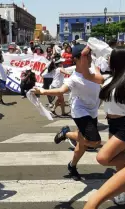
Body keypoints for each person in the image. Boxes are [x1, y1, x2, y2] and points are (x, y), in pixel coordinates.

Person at [84, 46, 125, 205]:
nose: (108, 59)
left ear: (116, 60)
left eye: (111, 57)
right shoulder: (109, 79)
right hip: (113, 123)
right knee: (119, 163)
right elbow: (87, 74)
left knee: (103, 158)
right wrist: (86, 55)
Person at [33, 44, 104, 181]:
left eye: (89, 55)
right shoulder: (74, 78)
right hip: (80, 111)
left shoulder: (93, 69)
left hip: (92, 110)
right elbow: (61, 91)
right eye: (86, 55)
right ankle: (66, 134)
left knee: (82, 144)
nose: (90, 57)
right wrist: (42, 91)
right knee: (94, 141)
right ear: (78, 59)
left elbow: (101, 80)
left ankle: (72, 166)